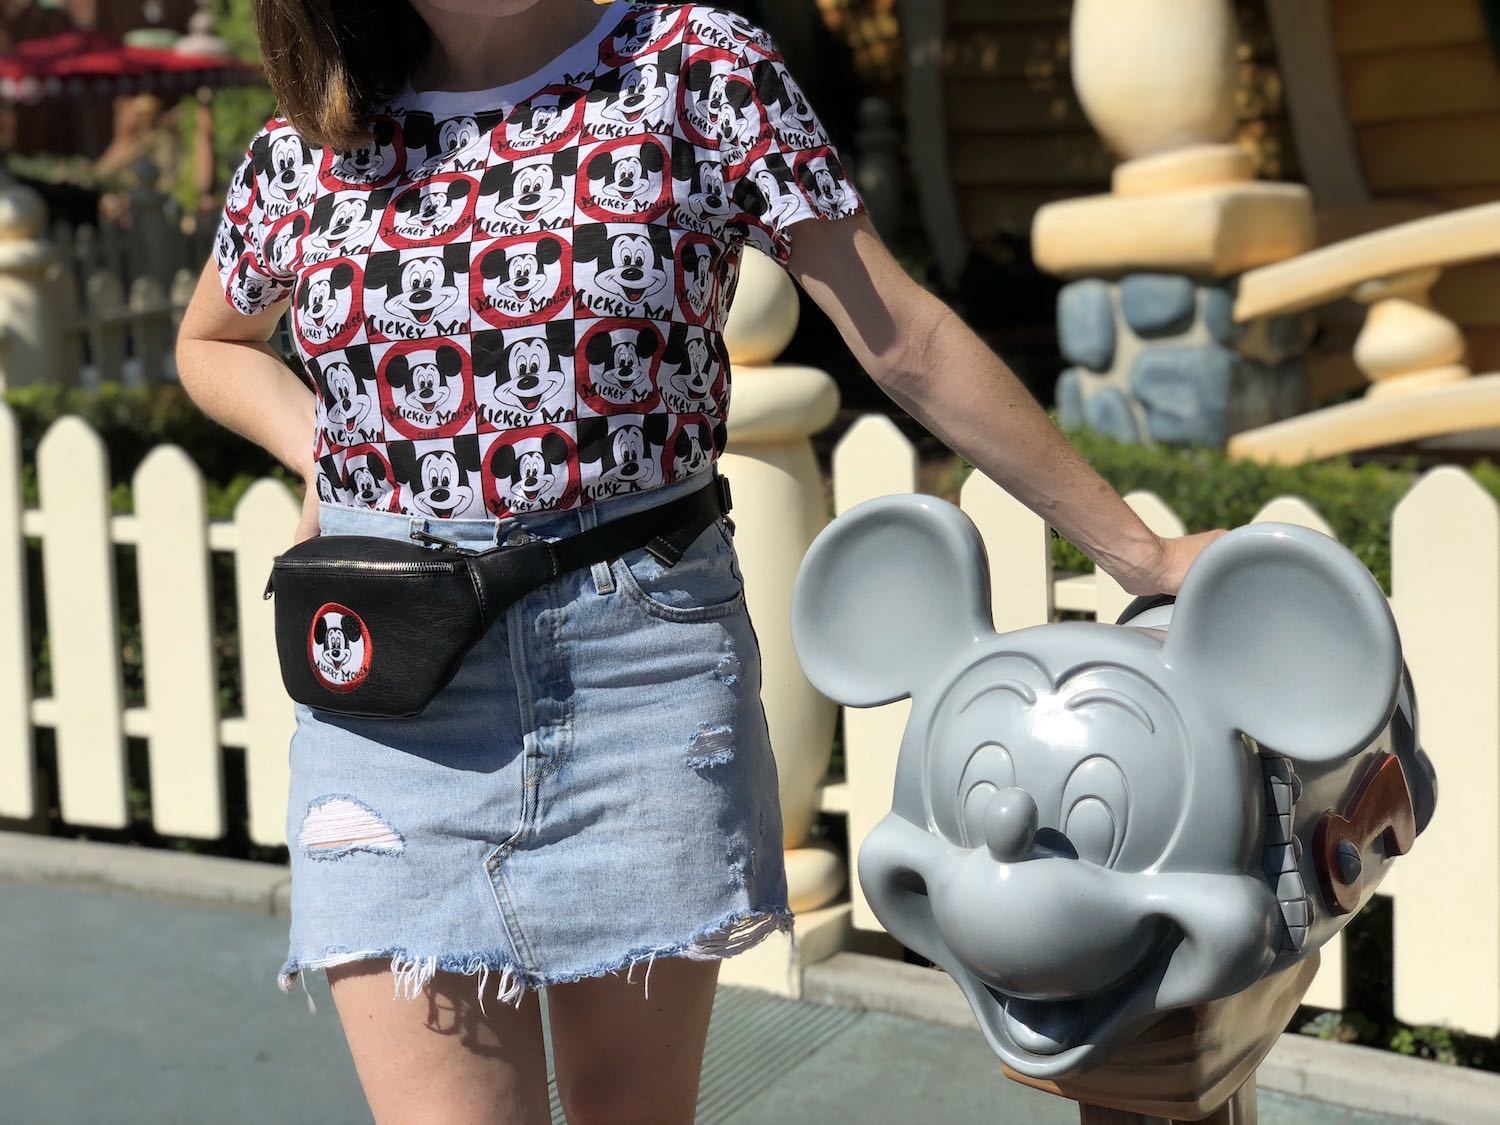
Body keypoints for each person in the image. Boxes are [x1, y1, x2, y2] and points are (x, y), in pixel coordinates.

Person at [175, 2, 1226, 1121]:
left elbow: (902, 337)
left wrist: (1140, 551)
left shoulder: (692, 67)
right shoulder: (316, 136)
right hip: (393, 700)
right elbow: (212, 341)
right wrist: (326, 451)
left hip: (635, 667)